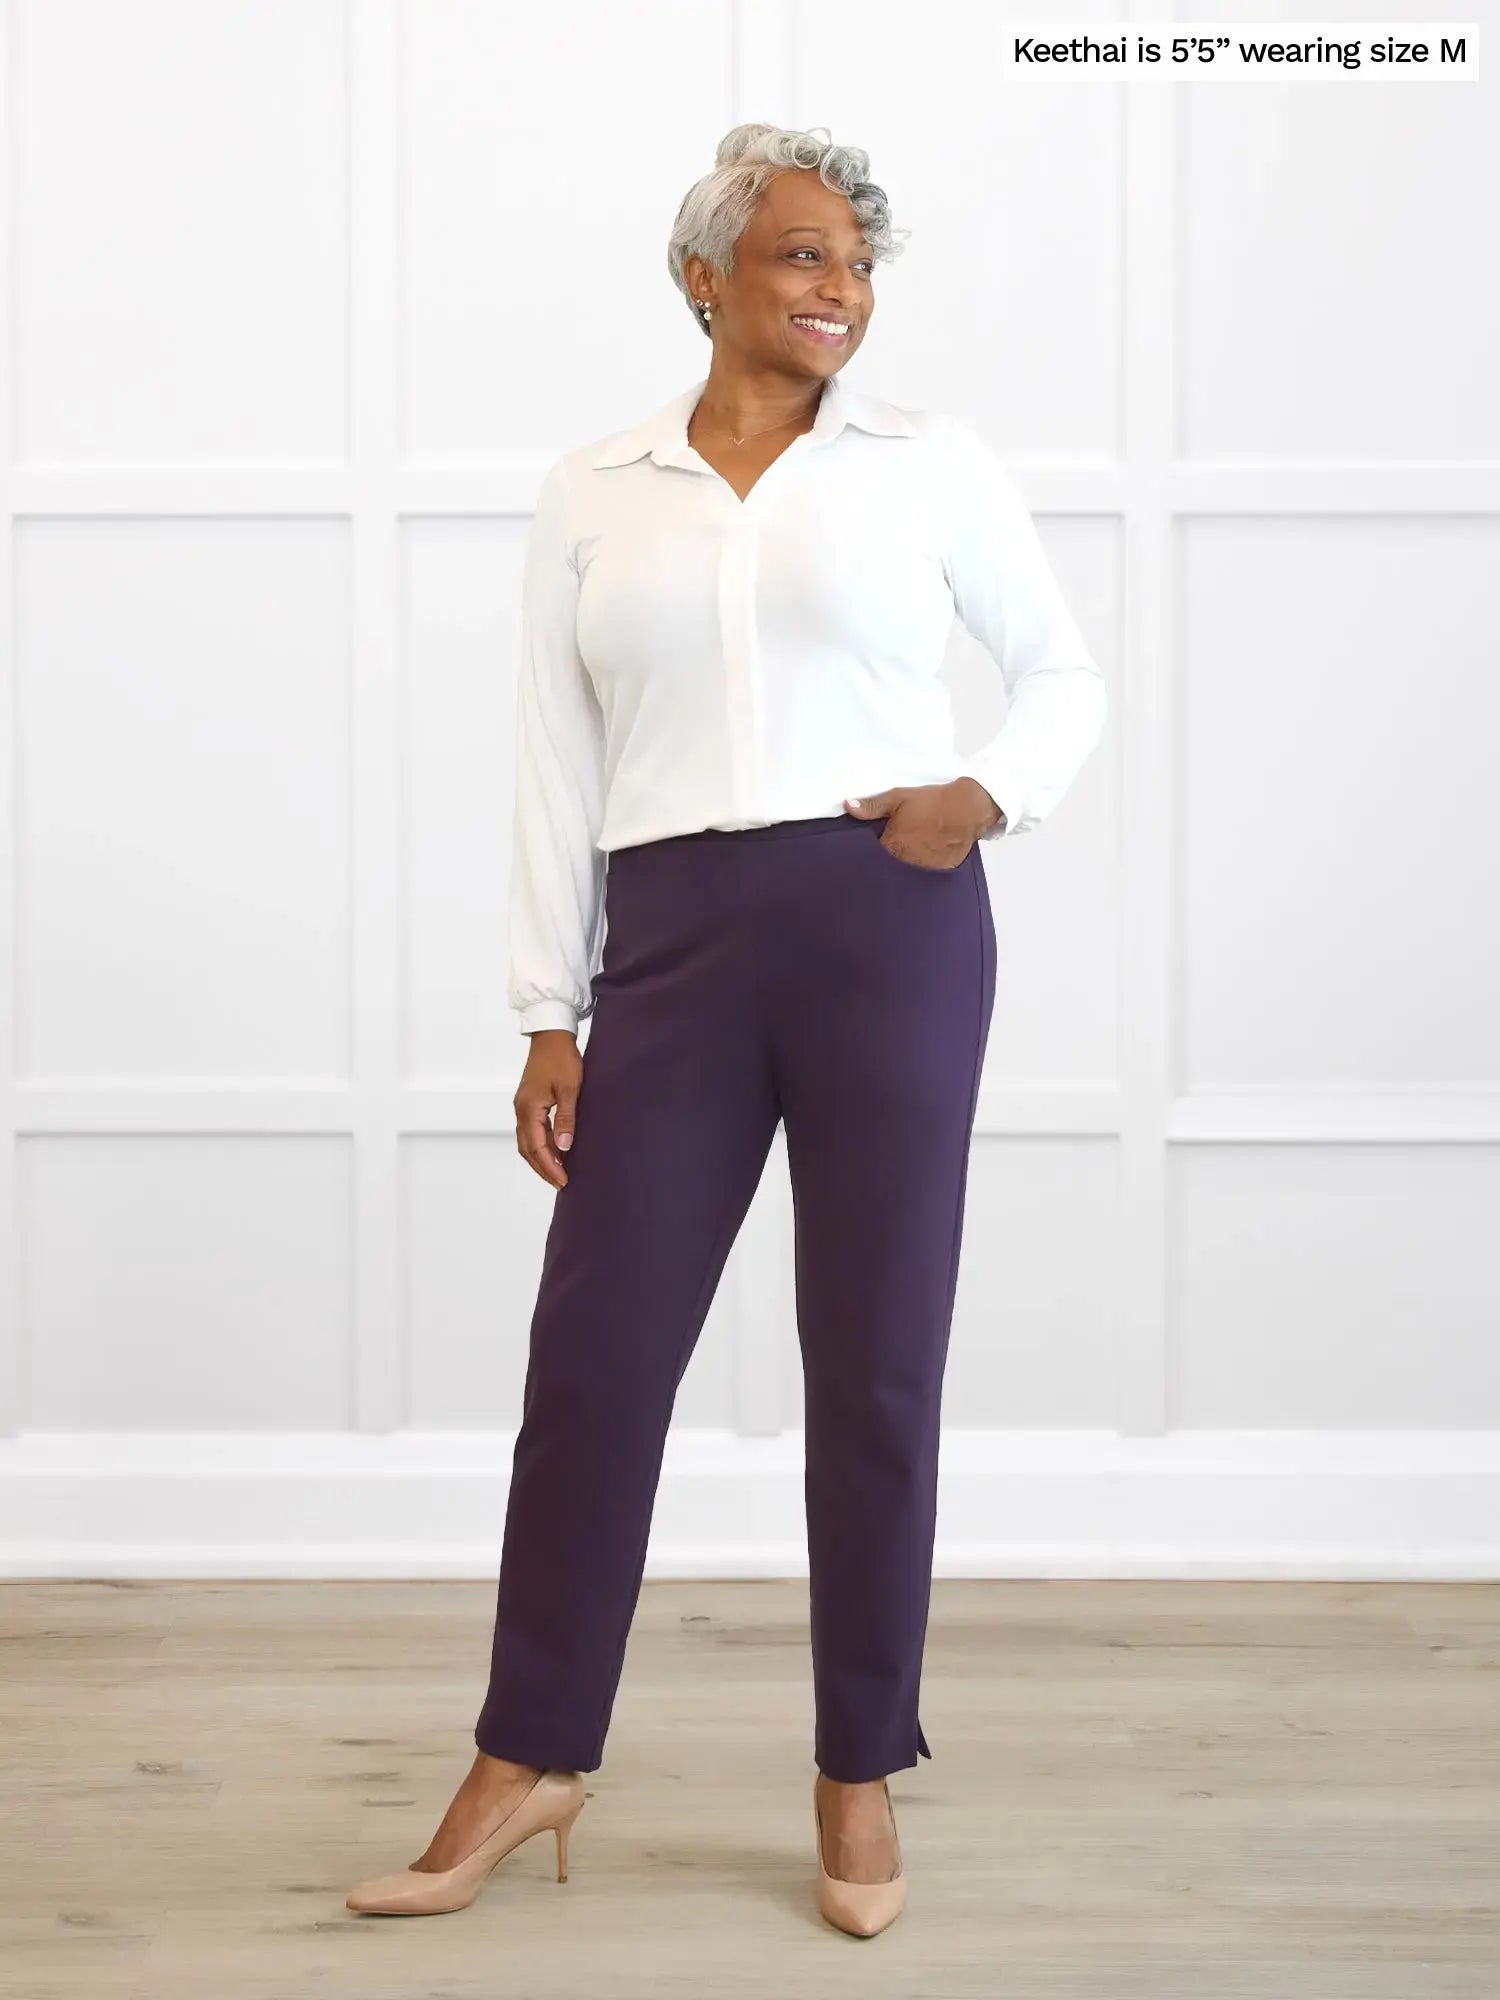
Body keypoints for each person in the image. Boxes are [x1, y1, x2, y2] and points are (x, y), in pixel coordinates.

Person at [347, 119, 1106, 1939]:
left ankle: (858, 1771)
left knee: (874, 1365)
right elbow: (556, 758)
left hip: (888, 930)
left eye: (855, 260)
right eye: (799, 254)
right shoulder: (595, 486)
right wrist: (549, 1009)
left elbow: (1067, 672)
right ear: (705, 275)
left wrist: (976, 799)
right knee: (595, 1360)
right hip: (670, 947)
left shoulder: (931, 465)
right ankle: (531, 1752)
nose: (838, 286)